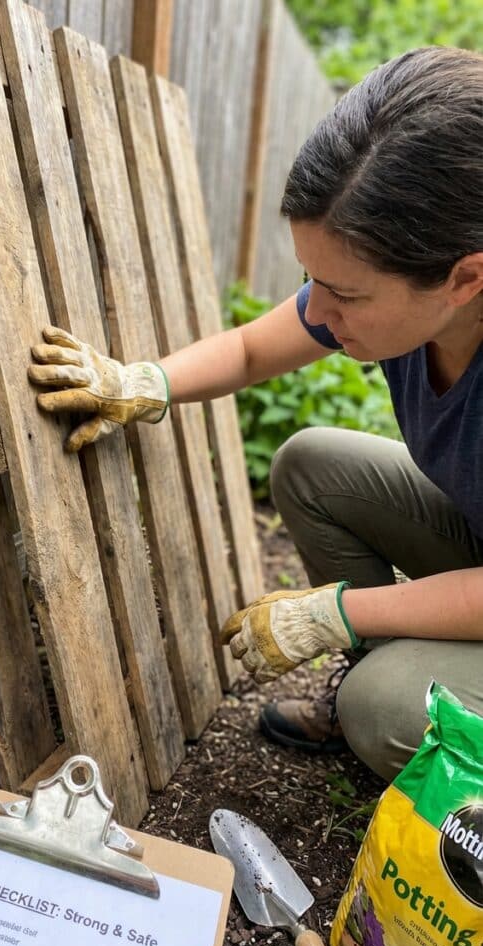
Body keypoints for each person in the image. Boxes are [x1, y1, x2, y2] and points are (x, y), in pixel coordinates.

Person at [27, 46, 483, 783]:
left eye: (346, 294)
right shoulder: (396, 299)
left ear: (464, 276)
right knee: (312, 467)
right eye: (313, 280)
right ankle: (422, 677)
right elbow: (246, 350)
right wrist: (141, 382)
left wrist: (340, 613)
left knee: (382, 709)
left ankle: (420, 722)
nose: (319, 311)